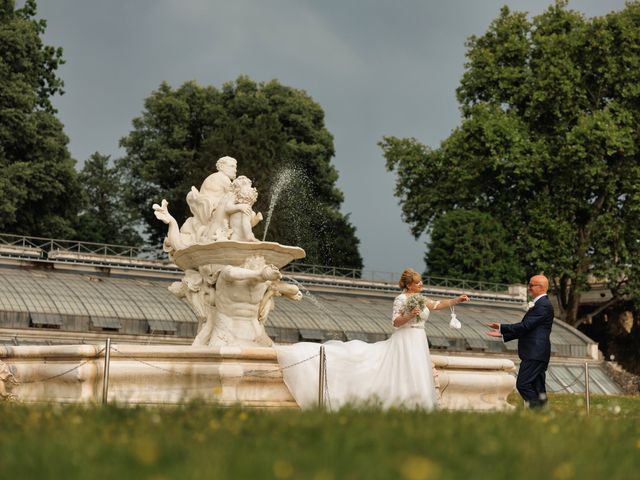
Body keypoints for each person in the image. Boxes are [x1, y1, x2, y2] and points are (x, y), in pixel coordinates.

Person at [275, 267, 470, 410]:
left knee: (418, 370)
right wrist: (410, 315)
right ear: (409, 285)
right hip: (405, 339)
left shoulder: (422, 298)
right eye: (418, 283)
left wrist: (456, 301)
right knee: (403, 369)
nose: (421, 285)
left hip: (419, 339)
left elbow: (436, 304)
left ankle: (419, 404)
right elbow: (395, 322)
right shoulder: (401, 299)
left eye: (421, 282)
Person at [486, 274, 554, 408]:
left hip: (534, 353)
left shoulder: (543, 305)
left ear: (540, 287)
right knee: (538, 387)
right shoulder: (541, 304)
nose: (528, 288)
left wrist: (502, 327)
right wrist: (503, 334)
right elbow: (528, 330)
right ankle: (544, 416)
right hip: (538, 353)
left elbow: (525, 326)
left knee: (523, 384)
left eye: (531, 285)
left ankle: (539, 411)